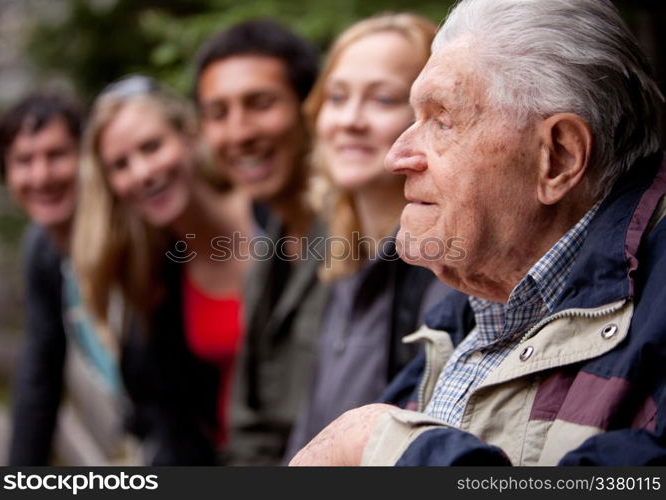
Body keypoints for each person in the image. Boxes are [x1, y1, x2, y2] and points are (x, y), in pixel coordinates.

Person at [291, 0, 666, 466]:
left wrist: (377, 445)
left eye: (442, 121)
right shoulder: (469, 312)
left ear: (560, 157)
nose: (397, 155)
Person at [284, 13, 451, 459]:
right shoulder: (339, 263)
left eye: (381, 99)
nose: (350, 120)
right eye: (337, 98)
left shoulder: (447, 273)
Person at [72, 76, 251, 464]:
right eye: (120, 165)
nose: (142, 173)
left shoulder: (276, 218)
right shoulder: (155, 287)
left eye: (152, 147)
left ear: (190, 136)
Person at [194, 19, 328, 464]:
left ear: (311, 107)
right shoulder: (266, 249)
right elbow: (251, 428)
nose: (239, 133)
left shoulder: (368, 238)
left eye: (260, 103)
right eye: (218, 113)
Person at [0, 93, 123, 465]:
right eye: (23, 161)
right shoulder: (43, 253)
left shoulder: (133, 233)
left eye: (57, 155)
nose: (41, 176)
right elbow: (39, 378)